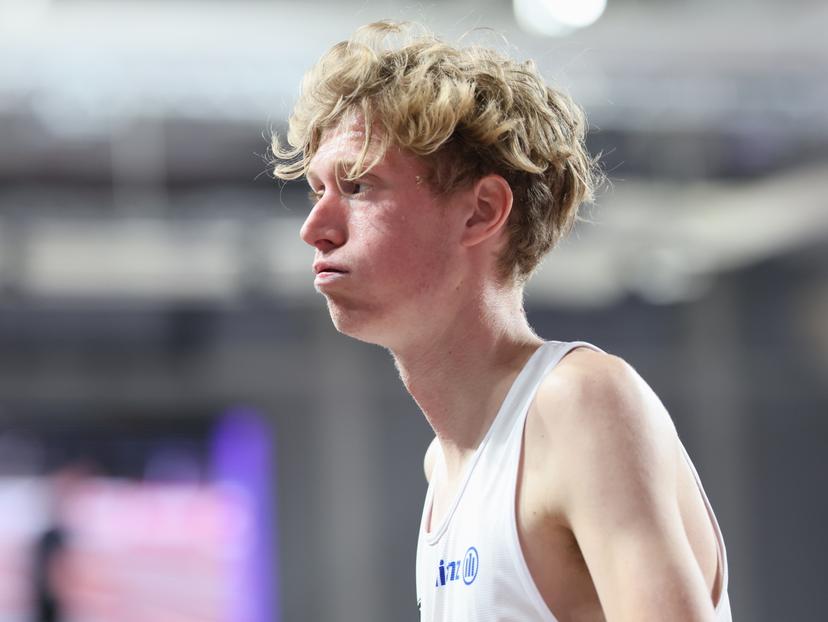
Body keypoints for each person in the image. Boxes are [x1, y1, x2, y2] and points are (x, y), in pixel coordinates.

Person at [272, 20, 732, 622]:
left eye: (357, 186)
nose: (315, 228)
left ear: (481, 211)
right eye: (318, 191)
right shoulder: (444, 465)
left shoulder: (580, 402)